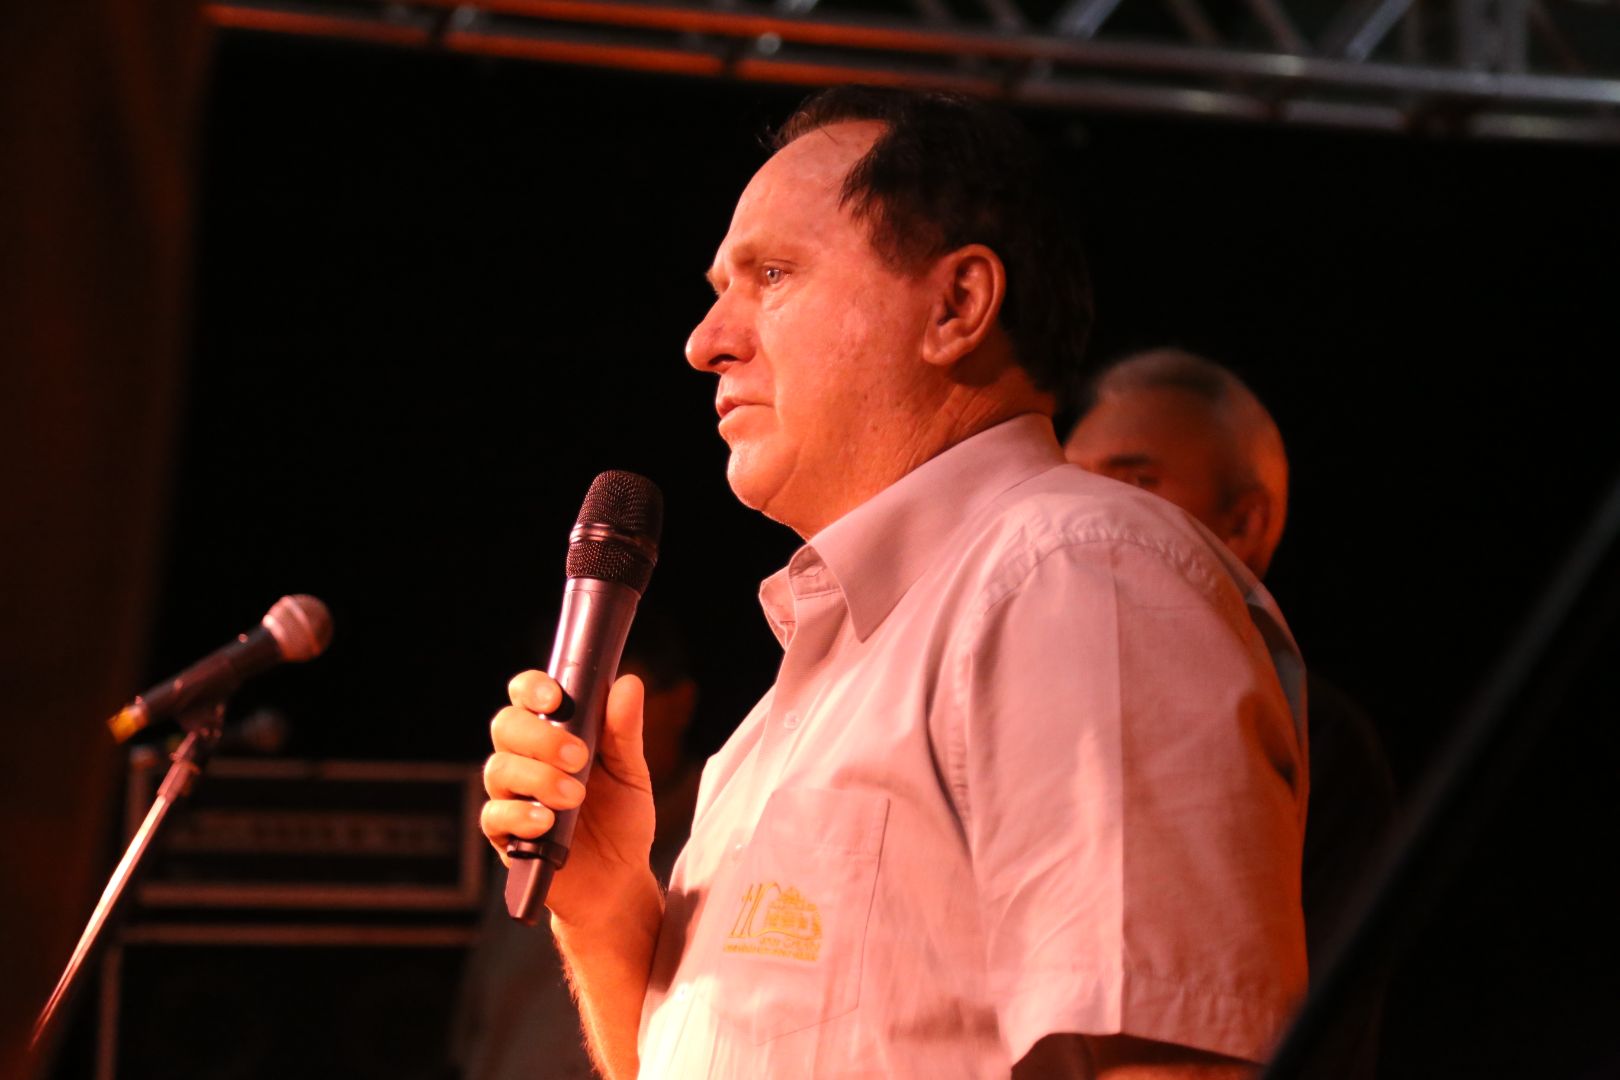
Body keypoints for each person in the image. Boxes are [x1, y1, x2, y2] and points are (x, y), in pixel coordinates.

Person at [481, 87, 1310, 1079]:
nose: (706, 342)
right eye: (718, 289)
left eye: (772, 275)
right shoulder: (783, 720)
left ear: (956, 306)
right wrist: (609, 903)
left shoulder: (1075, 578)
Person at [1064, 347, 1399, 1077]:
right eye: (1068, 479)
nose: (1081, 510)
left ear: (1245, 521)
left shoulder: (1315, 737)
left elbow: (1316, 1028)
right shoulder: (1017, 692)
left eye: (1135, 481)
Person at [451, 608, 703, 1080]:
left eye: (611, 704)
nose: (588, 729)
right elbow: (484, 1011)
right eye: (570, 706)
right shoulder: (539, 827)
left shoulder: (721, 837)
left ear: (681, 703)